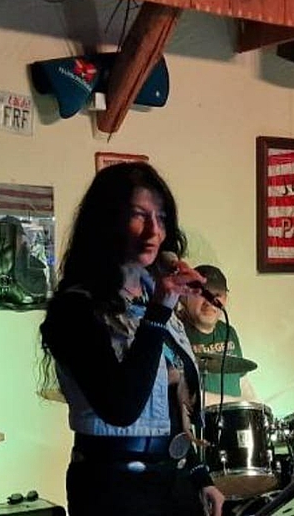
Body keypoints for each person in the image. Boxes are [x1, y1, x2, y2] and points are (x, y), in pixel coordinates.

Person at [38, 162, 225, 516]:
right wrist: (158, 312)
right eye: (139, 215)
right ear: (107, 222)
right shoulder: (75, 309)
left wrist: (199, 474)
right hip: (113, 488)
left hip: (173, 481)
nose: (154, 231)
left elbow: (175, 402)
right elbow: (121, 407)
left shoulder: (155, 297)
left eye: (161, 218)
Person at [177, 264, 258, 407]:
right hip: (198, 420)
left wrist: (258, 407)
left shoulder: (228, 332)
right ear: (184, 296)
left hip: (232, 418)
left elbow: (242, 381)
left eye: (217, 295)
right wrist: (235, 403)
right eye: (202, 294)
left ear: (225, 299)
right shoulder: (175, 332)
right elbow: (184, 394)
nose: (209, 303)